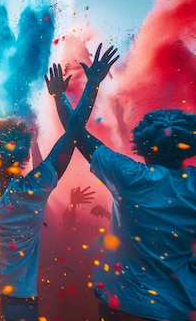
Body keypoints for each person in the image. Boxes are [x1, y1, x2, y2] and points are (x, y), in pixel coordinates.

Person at [0, 44, 118, 320]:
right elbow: (74, 134)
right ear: (25, 154)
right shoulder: (34, 189)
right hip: (21, 305)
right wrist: (82, 89)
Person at [49, 45, 196, 320]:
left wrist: (70, 92)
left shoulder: (130, 175)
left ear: (142, 144)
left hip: (123, 305)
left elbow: (76, 133)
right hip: (177, 309)